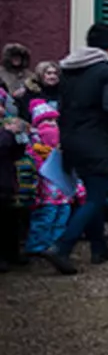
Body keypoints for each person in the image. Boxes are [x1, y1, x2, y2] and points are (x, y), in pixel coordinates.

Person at [43, 24, 108, 274]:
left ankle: (99, 247)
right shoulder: (107, 70)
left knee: (92, 194)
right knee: (95, 197)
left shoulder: (69, 69)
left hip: (70, 139)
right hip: (96, 140)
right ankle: (61, 247)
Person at [23, 101, 85, 257]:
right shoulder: (34, 147)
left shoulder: (63, 144)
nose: (51, 125)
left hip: (63, 192)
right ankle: (37, 246)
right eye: (46, 121)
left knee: (61, 218)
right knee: (44, 218)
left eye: (53, 121)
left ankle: (55, 246)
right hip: (45, 192)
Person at [0, 94, 30, 272]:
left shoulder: (6, 124)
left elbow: (16, 154)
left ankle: (12, 253)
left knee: (10, 218)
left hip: (7, 179)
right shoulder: (5, 131)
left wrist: (19, 136)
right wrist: (8, 133)